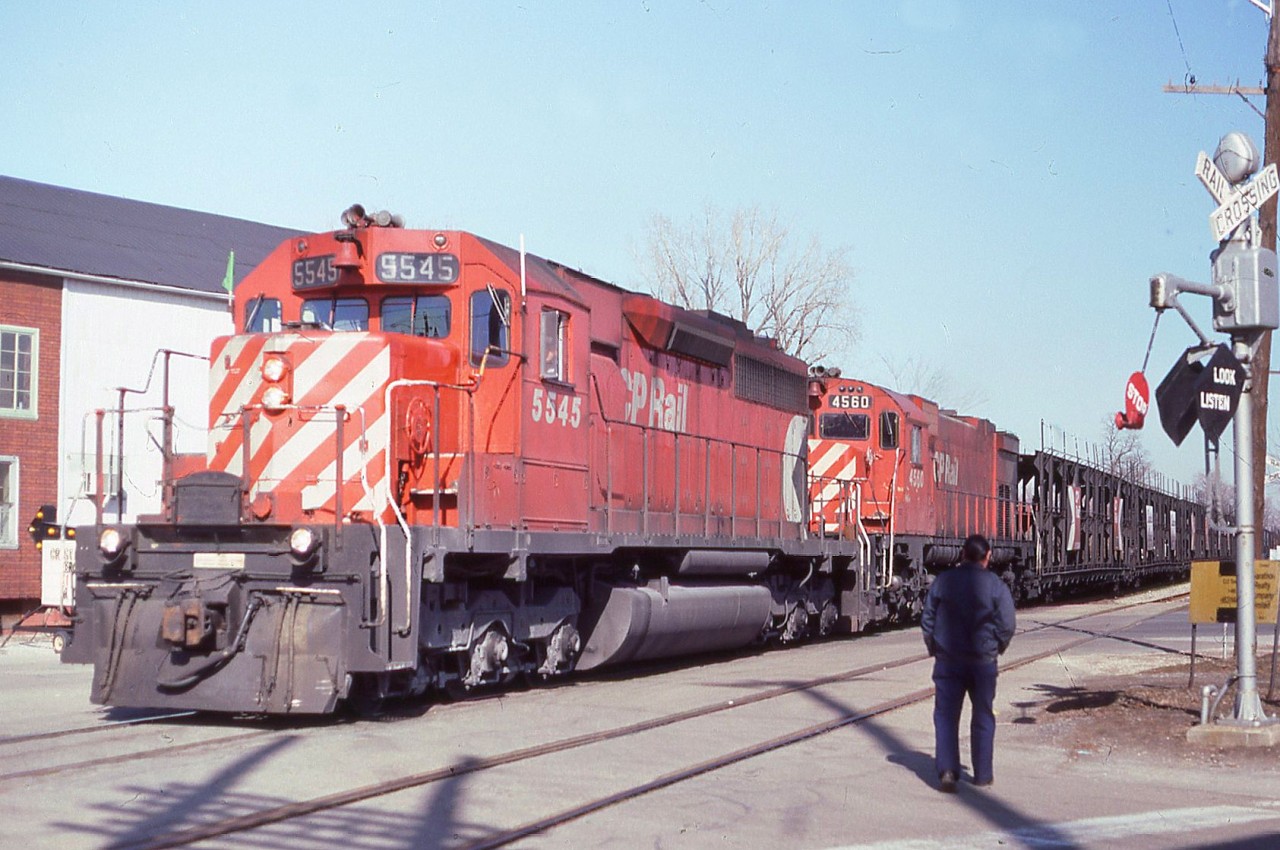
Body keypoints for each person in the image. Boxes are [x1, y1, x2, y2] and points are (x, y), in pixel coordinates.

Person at [920, 534, 1016, 792]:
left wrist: (935, 648)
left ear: (962, 555)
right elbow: (1007, 624)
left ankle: (948, 771)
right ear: (988, 557)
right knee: (983, 714)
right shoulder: (996, 585)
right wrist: (996, 648)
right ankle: (983, 774)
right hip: (983, 662)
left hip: (948, 661)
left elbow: (928, 619)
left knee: (946, 716)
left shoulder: (943, 581)